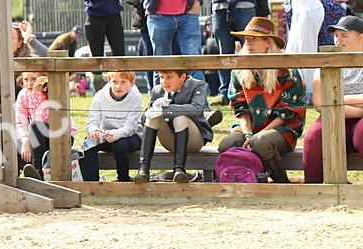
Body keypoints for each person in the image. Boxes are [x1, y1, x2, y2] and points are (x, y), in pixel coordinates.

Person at [217, 17, 306, 183]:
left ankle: (282, 183)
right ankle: (252, 180)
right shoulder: (239, 71)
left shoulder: (288, 70)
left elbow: (288, 112)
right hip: (250, 126)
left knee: (261, 142)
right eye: (246, 39)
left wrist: (258, 135)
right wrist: (248, 133)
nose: (248, 43)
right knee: (226, 144)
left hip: (283, 127)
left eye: (254, 39)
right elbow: (240, 108)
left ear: (268, 42)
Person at [303, 16, 363, 183]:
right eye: (336, 36)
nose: (338, 40)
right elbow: (321, 103)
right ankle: (312, 186)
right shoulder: (326, 60)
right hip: (338, 112)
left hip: (343, 111)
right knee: (314, 135)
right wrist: (358, 108)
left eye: (344, 35)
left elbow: (329, 100)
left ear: (361, 37)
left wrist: (338, 100)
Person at [134, 69, 214, 183]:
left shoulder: (197, 85)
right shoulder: (157, 90)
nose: (164, 82)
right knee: (153, 118)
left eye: (169, 77)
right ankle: (143, 170)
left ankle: (179, 170)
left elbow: (196, 109)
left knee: (180, 118)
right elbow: (145, 119)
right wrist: (153, 109)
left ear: (183, 77)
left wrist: (166, 110)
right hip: (170, 140)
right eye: (161, 77)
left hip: (193, 140)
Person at [79, 71, 144, 182]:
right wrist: (95, 131)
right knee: (88, 143)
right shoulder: (100, 95)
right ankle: (92, 182)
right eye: (114, 82)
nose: (118, 86)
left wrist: (116, 134)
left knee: (119, 144)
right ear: (109, 81)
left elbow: (131, 127)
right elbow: (92, 121)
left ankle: (123, 180)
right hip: (107, 135)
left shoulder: (136, 96)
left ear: (132, 83)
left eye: (123, 82)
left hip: (132, 137)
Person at [15, 69, 75, 179]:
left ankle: (37, 172)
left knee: (34, 126)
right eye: (25, 79)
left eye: (33, 79)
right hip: (38, 136)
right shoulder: (23, 94)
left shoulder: (51, 91)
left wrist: (36, 94)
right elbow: (19, 120)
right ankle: (15, 178)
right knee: (16, 141)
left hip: (62, 134)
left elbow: (41, 120)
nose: (29, 83)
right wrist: (25, 140)